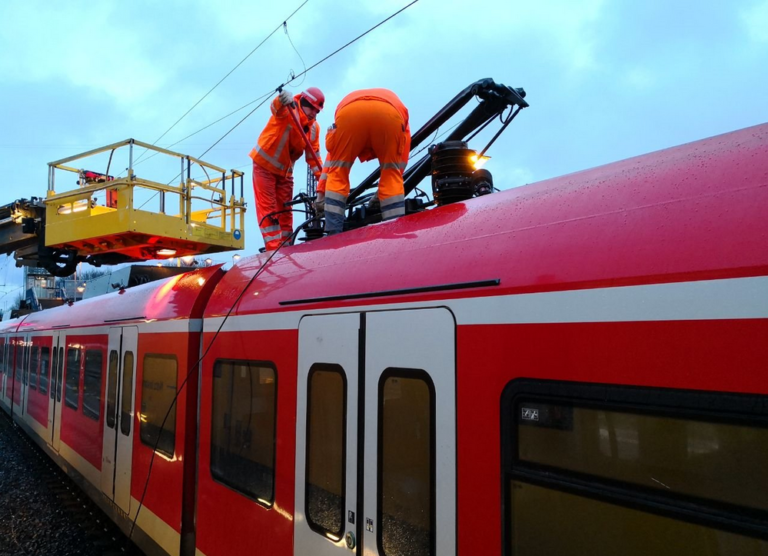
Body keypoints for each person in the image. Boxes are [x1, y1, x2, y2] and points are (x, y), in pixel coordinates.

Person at [316, 89, 410, 234]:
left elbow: (331, 162)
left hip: (349, 112)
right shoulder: (399, 111)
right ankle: (395, 227)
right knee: (391, 174)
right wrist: (381, 194)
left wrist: (321, 195)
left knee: (338, 172)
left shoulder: (350, 103)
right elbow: (400, 161)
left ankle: (333, 232)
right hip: (389, 113)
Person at [249, 87, 324, 251]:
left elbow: (314, 158)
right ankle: (273, 251)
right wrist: (281, 100)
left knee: (286, 212)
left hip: (285, 173)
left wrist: (326, 183)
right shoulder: (289, 109)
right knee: (269, 211)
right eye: (312, 108)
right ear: (303, 102)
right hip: (264, 166)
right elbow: (276, 108)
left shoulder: (313, 129)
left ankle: (287, 247)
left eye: (317, 111)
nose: (314, 113)